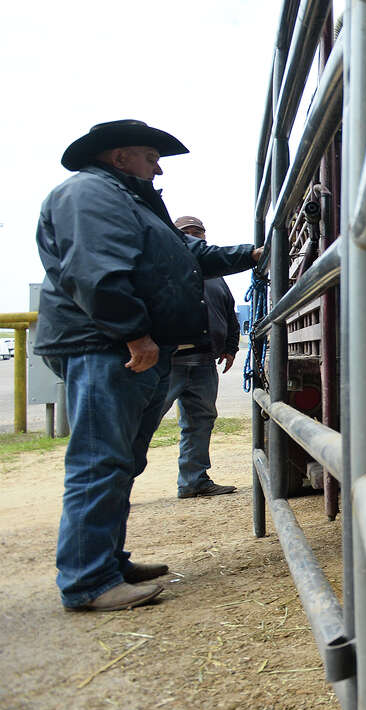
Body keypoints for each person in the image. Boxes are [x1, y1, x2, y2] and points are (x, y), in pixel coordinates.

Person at [35, 120, 261, 611]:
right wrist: (133, 332)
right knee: (101, 459)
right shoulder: (91, 195)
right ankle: (89, 581)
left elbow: (190, 257)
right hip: (106, 345)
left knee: (121, 460)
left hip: (122, 345)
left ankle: (107, 561)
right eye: (151, 158)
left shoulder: (129, 201)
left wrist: (254, 253)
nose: (158, 169)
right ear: (121, 158)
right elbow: (94, 269)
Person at [164, 215, 241, 499]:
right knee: (142, 421)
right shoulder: (165, 267)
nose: (195, 237)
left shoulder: (216, 275)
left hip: (205, 363)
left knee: (201, 421)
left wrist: (231, 347)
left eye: (199, 232)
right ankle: (118, 484)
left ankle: (193, 481)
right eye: (187, 232)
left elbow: (229, 312)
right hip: (169, 361)